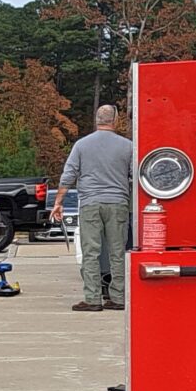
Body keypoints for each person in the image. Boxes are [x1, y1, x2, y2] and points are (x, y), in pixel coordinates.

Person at [50, 105, 137, 311]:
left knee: (91, 252)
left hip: (90, 203)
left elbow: (69, 175)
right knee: (117, 251)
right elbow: (135, 175)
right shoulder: (128, 146)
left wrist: (58, 202)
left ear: (96, 120)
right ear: (115, 121)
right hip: (118, 203)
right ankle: (118, 298)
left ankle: (92, 299)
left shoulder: (81, 145)